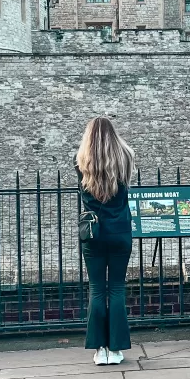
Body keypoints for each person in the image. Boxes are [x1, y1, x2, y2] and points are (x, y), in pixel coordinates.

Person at [76, 117, 134, 365]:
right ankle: (116, 349)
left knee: (97, 290)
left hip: (93, 233)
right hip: (120, 232)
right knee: (117, 289)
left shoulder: (81, 162)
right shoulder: (126, 158)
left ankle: (99, 350)